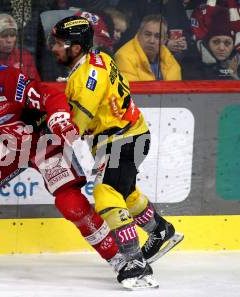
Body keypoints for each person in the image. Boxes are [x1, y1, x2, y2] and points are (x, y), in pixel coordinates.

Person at [0, 49, 128, 286]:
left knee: (71, 204)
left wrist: (58, 118)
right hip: (10, 142)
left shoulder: (7, 81)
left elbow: (49, 95)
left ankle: (119, 257)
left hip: (44, 142)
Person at [50, 15, 184, 288]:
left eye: (59, 43)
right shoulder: (96, 59)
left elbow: (76, 127)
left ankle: (135, 263)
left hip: (122, 140)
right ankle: (161, 231)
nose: (54, 48)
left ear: (75, 47)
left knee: (105, 193)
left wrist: (50, 132)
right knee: (125, 192)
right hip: (129, 135)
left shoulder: (87, 76)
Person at [114, 14, 182, 81]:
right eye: (147, 35)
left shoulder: (169, 59)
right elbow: (132, 91)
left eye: (157, 36)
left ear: (165, 39)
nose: (151, 41)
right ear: (139, 34)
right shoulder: (124, 57)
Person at [0, 11, 41, 81]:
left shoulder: (25, 57)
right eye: (4, 36)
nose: (9, 40)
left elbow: (35, 86)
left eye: (12, 35)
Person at [185, 6, 240, 79]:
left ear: (233, 45)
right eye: (216, 42)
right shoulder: (191, 62)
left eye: (227, 43)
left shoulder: (237, 62)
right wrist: (229, 74)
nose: (221, 48)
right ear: (207, 43)